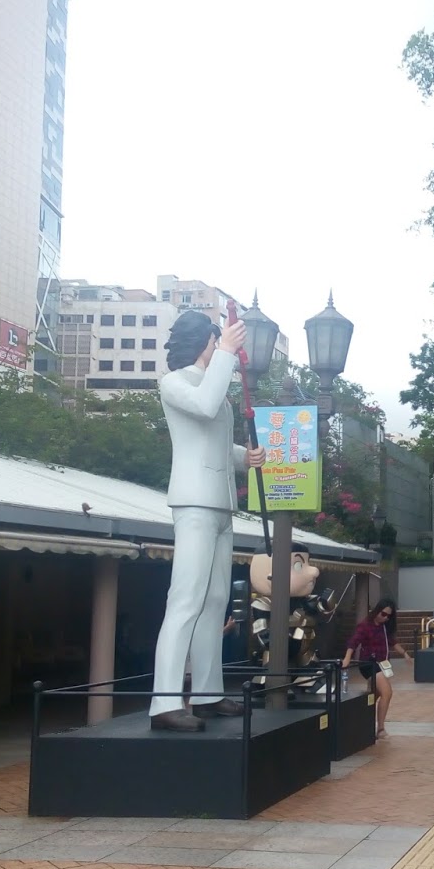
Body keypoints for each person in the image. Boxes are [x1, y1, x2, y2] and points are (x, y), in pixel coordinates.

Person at [148, 312, 267, 732]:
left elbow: (216, 442)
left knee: (215, 600)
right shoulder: (176, 382)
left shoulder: (218, 388)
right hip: (193, 502)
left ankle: (207, 692)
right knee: (186, 598)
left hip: (219, 504)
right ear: (206, 341)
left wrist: (243, 458)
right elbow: (203, 407)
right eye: (218, 341)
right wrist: (229, 356)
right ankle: (164, 700)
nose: (223, 349)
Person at [341, 600, 410, 739]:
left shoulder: (384, 627)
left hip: (381, 664)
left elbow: (392, 642)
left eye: (388, 616)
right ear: (377, 610)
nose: (385, 618)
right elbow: (354, 642)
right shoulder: (365, 625)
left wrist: (405, 654)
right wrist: (347, 659)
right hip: (369, 664)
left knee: (374, 695)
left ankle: (361, 721)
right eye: (383, 614)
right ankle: (381, 728)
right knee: (387, 692)